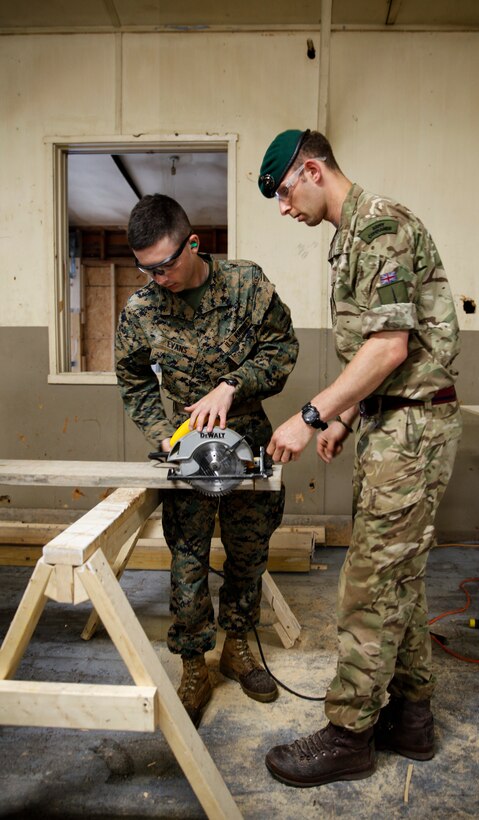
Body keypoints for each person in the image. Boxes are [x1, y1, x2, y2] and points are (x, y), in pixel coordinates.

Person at [257, 129, 462, 787]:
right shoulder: (349, 242)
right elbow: (374, 357)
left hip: (411, 431)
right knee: (397, 575)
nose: (284, 208)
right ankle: (411, 718)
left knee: (369, 584)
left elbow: (389, 349)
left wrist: (311, 412)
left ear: (312, 170)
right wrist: (346, 416)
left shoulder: (380, 230)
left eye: (286, 192)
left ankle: (348, 736)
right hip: (390, 424)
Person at [115, 193, 299, 728]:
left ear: (193, 244)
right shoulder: (141, 311)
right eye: (145, 268)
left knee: (247, 554)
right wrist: (160, 433)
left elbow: (281, 349)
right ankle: (194, 664)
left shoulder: (246, 284)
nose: (157, 278)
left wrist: (231, 385)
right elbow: (131, 378)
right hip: (186, 451)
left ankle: (238, 647)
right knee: (188, 562)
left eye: (166, 264)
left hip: (247, 440)